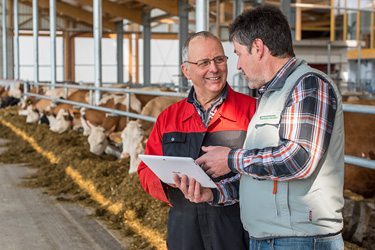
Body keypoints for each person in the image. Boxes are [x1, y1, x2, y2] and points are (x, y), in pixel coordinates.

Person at [196, 5, 345, 250]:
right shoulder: (269, 97)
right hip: (272, 238)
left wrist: (231, 159)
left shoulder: (308, 85)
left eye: (239, 54)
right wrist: (214, 192)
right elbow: (264, 174)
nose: (238, 66)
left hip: (299, 240)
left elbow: (299, 159)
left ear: (258, 47)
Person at [137, 31, 257, 250]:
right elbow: (145, 170)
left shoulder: (252, 111)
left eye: (219, 60)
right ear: (186, 71)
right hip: (183, 232)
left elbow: (266, 172)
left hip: (236, 231)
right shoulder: (168, 117)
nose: (214, 68)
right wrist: (167, 181)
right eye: (204, 62)